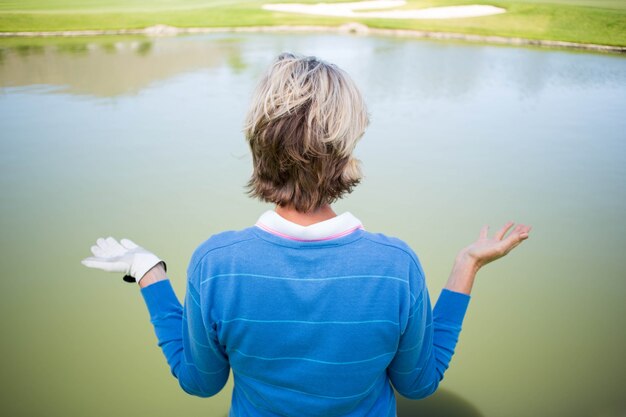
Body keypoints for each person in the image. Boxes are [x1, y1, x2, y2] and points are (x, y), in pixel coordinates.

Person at [81, 52, 531, 417]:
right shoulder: (396, 265)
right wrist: (466, 265)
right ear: (347, 147)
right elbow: (419, 385)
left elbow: (200, 384)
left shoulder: (216, 262)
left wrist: (148, 271)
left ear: (258, 142)